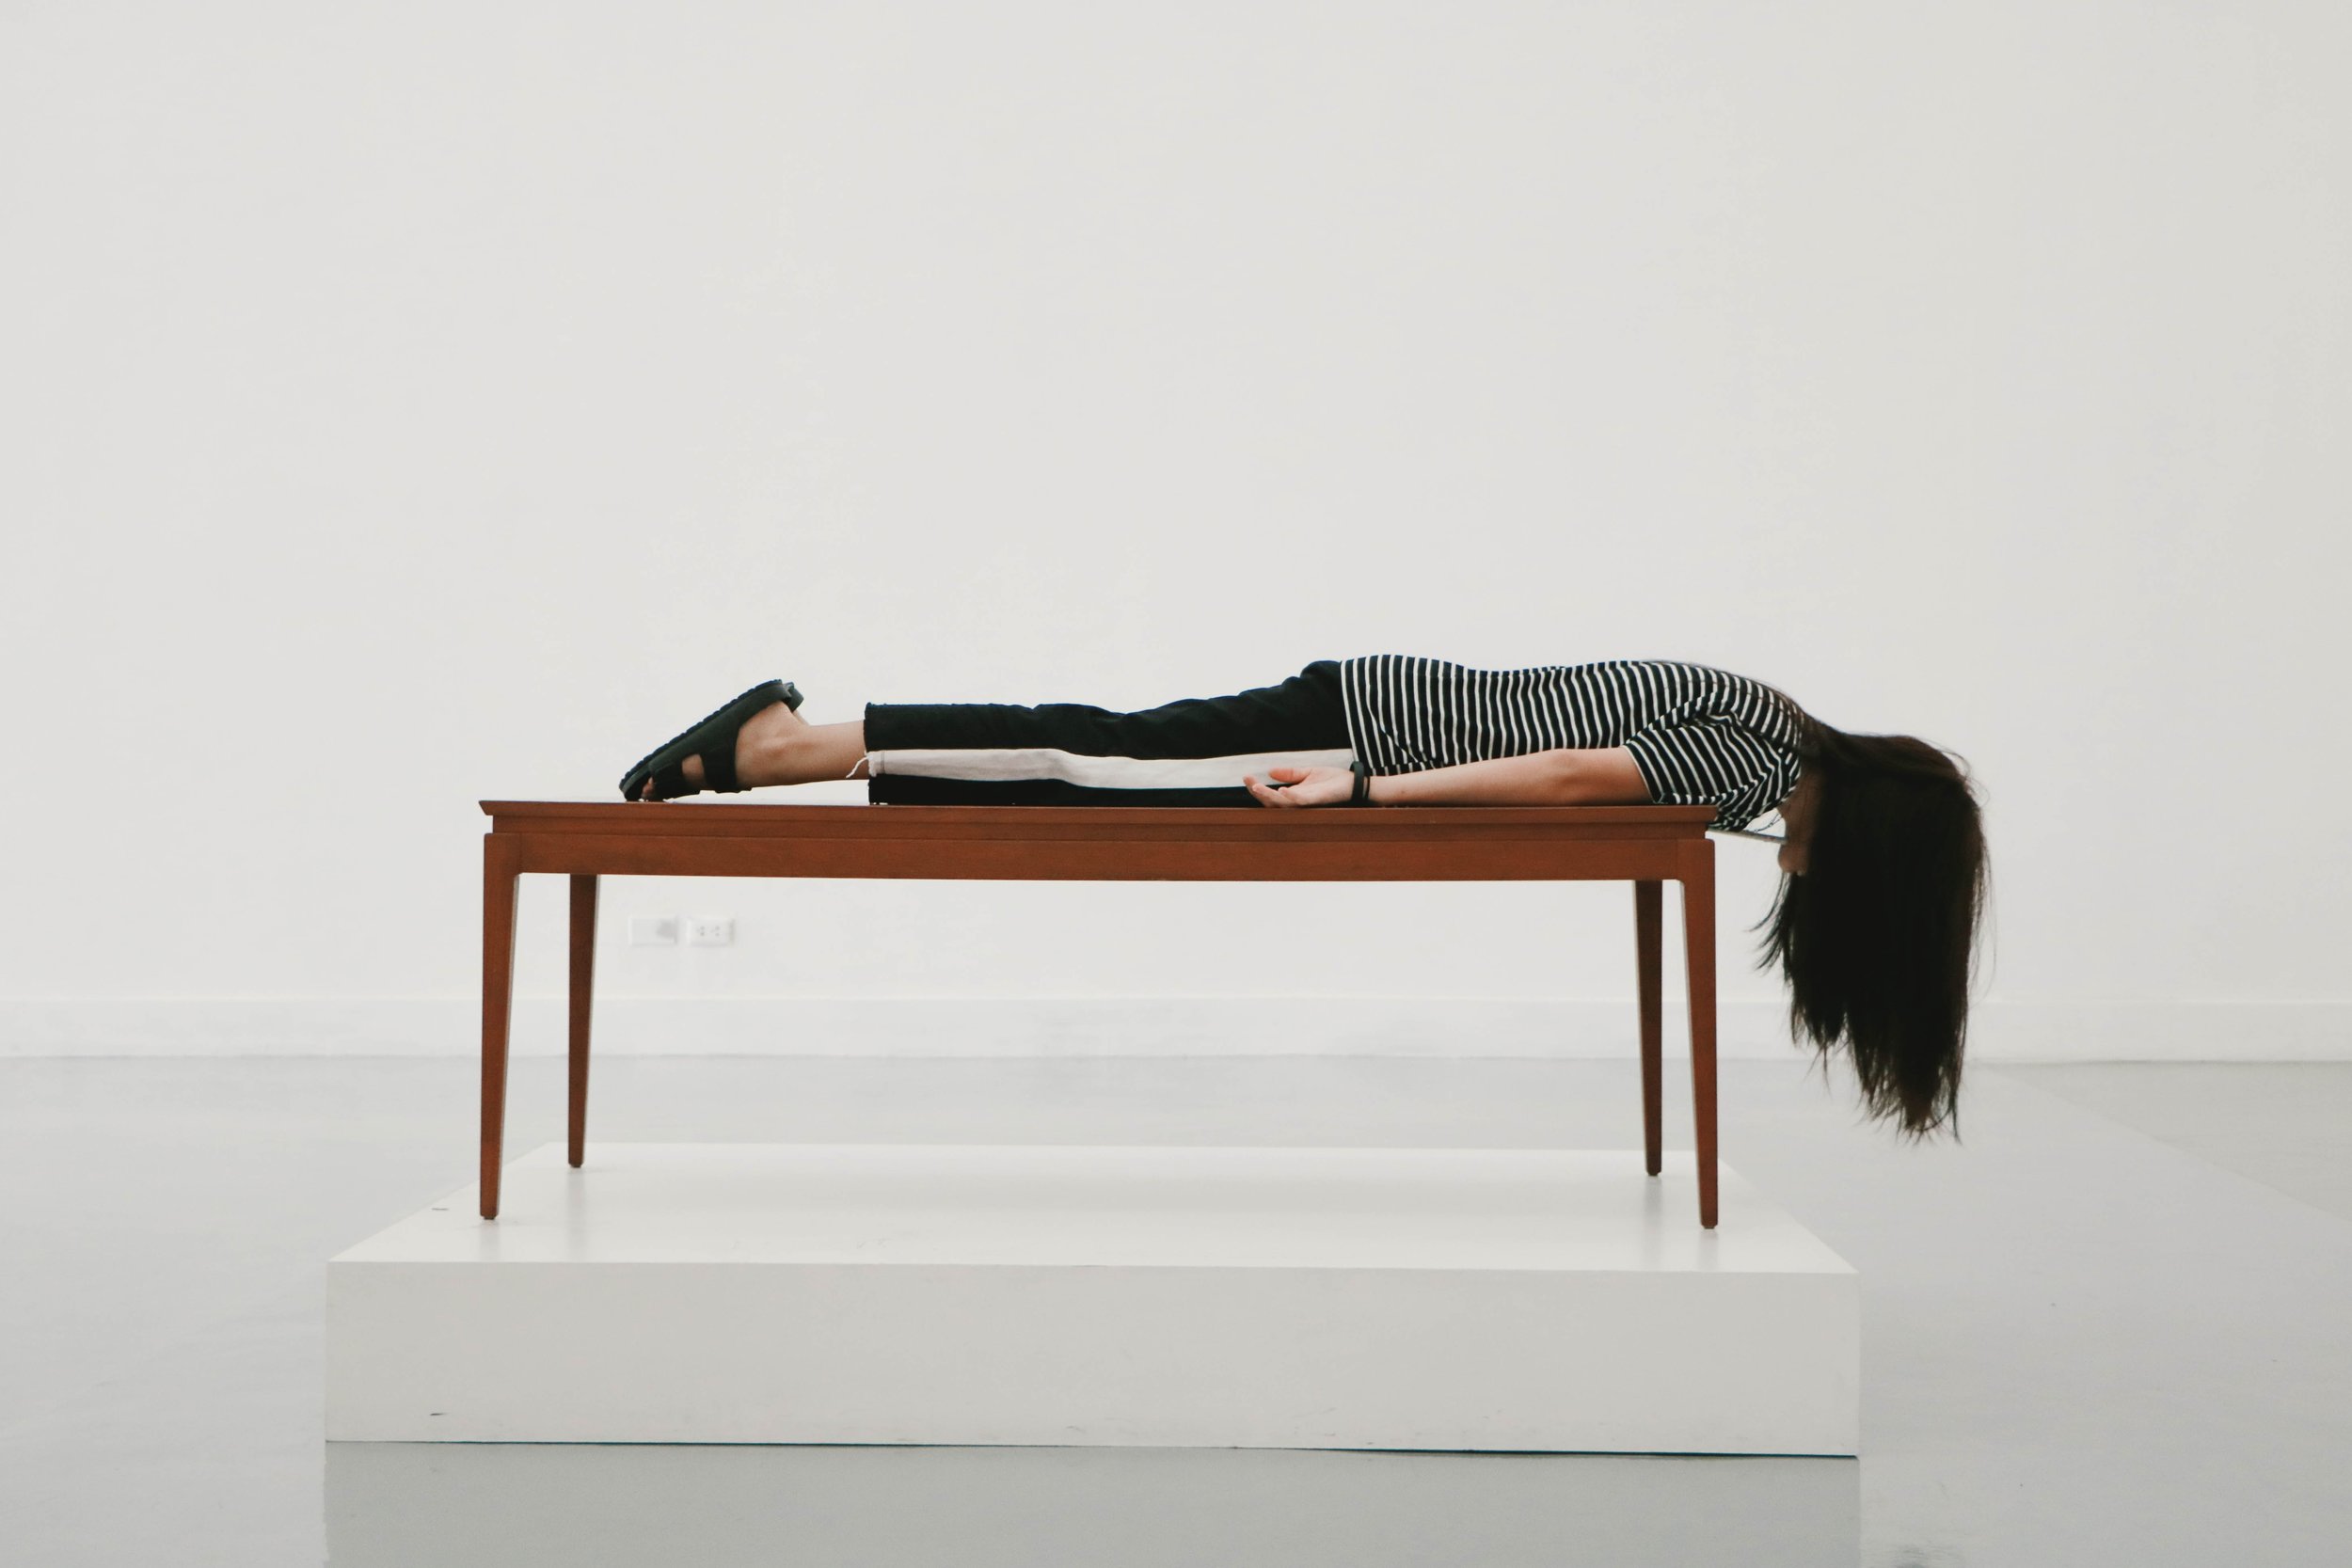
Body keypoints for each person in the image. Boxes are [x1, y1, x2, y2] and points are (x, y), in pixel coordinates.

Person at [620, 655, 1988, 1141]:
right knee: (1083, 759)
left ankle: (796, 743)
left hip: (1372, 716)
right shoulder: (1757, 757)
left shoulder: (1769, 728)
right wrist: (1365, 795)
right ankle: (782, 750)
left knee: (1091, 753)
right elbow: (1577, 774)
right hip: (1365, 740)